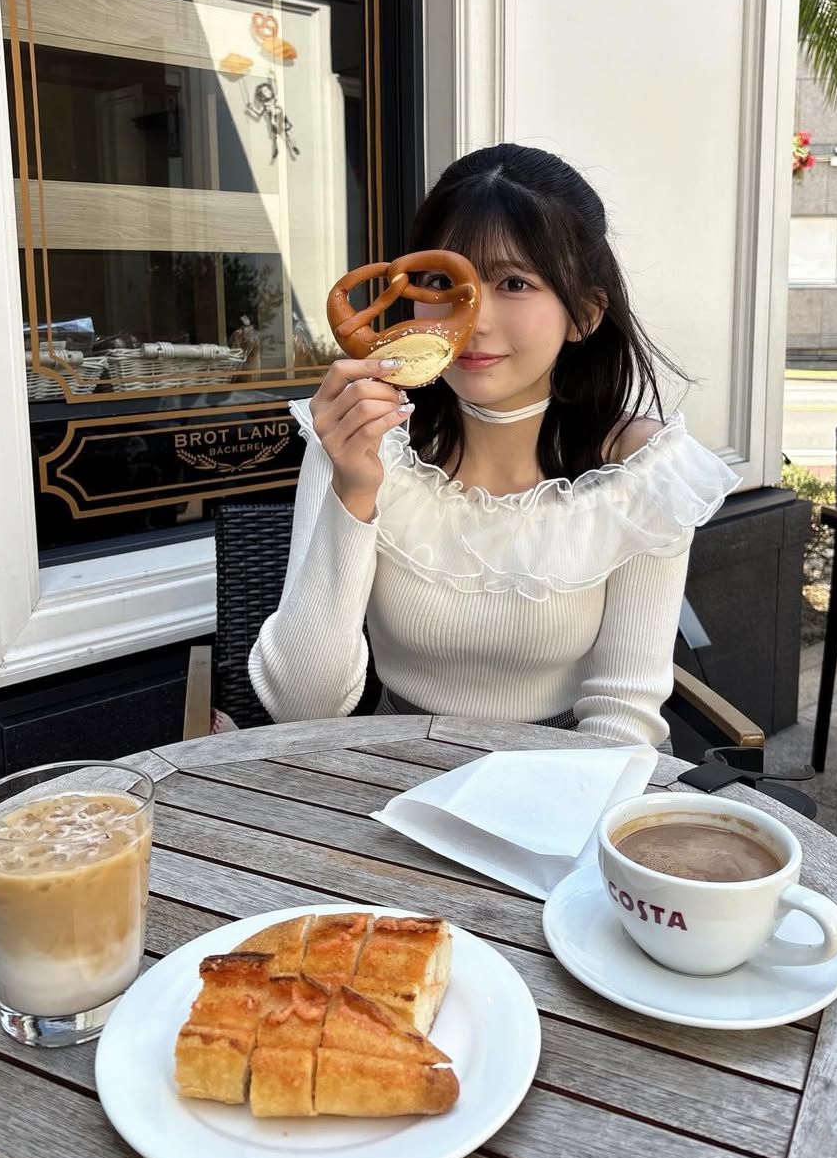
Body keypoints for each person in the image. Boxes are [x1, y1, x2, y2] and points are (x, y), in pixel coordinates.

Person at [247, 144, 739, 747]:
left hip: (563, 769)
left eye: (513, 283)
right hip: (388, 765)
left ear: (584, 314)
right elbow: (303, 705)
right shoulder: (358, 441)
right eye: (442, 283)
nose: (474, 320)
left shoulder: (642, 472)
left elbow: (623, 715)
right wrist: (353, 491)